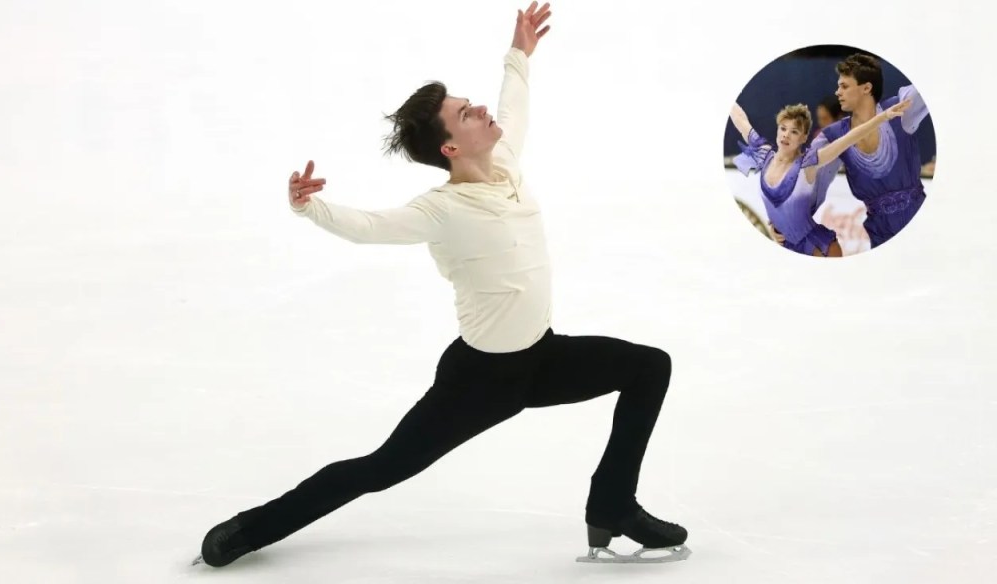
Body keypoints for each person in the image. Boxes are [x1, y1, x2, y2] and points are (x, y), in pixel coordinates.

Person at [194, 2, 689, 568]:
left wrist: (519, 53)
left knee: (649, 367)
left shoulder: (505, 161)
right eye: (464, 113)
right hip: (479, 382)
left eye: (469, 103)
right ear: (451, 148)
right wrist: (309, 207)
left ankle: (613, 505)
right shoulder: (440, 210)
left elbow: (514, 105)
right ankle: (249, 529)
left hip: (542, 358)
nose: (479, 110)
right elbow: (370, 227)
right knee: (381, 469)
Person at [729, 98, 910, 257]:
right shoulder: (763, 156)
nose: (786, 134)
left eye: (794, 131)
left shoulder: (808, 164)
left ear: (803, 137)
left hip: (819, 248)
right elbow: (740, 119)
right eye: (783, 128)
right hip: (783, 247)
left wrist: (883, 116)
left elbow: (849, 138)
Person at [810, 53, 931, 249]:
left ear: (866, 88)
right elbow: (805, 179)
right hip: (879, 232)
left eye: (844, 86)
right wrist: (785, 221)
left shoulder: (900, 109)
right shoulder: (833, 135)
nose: (837, 92)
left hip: (919, 220)